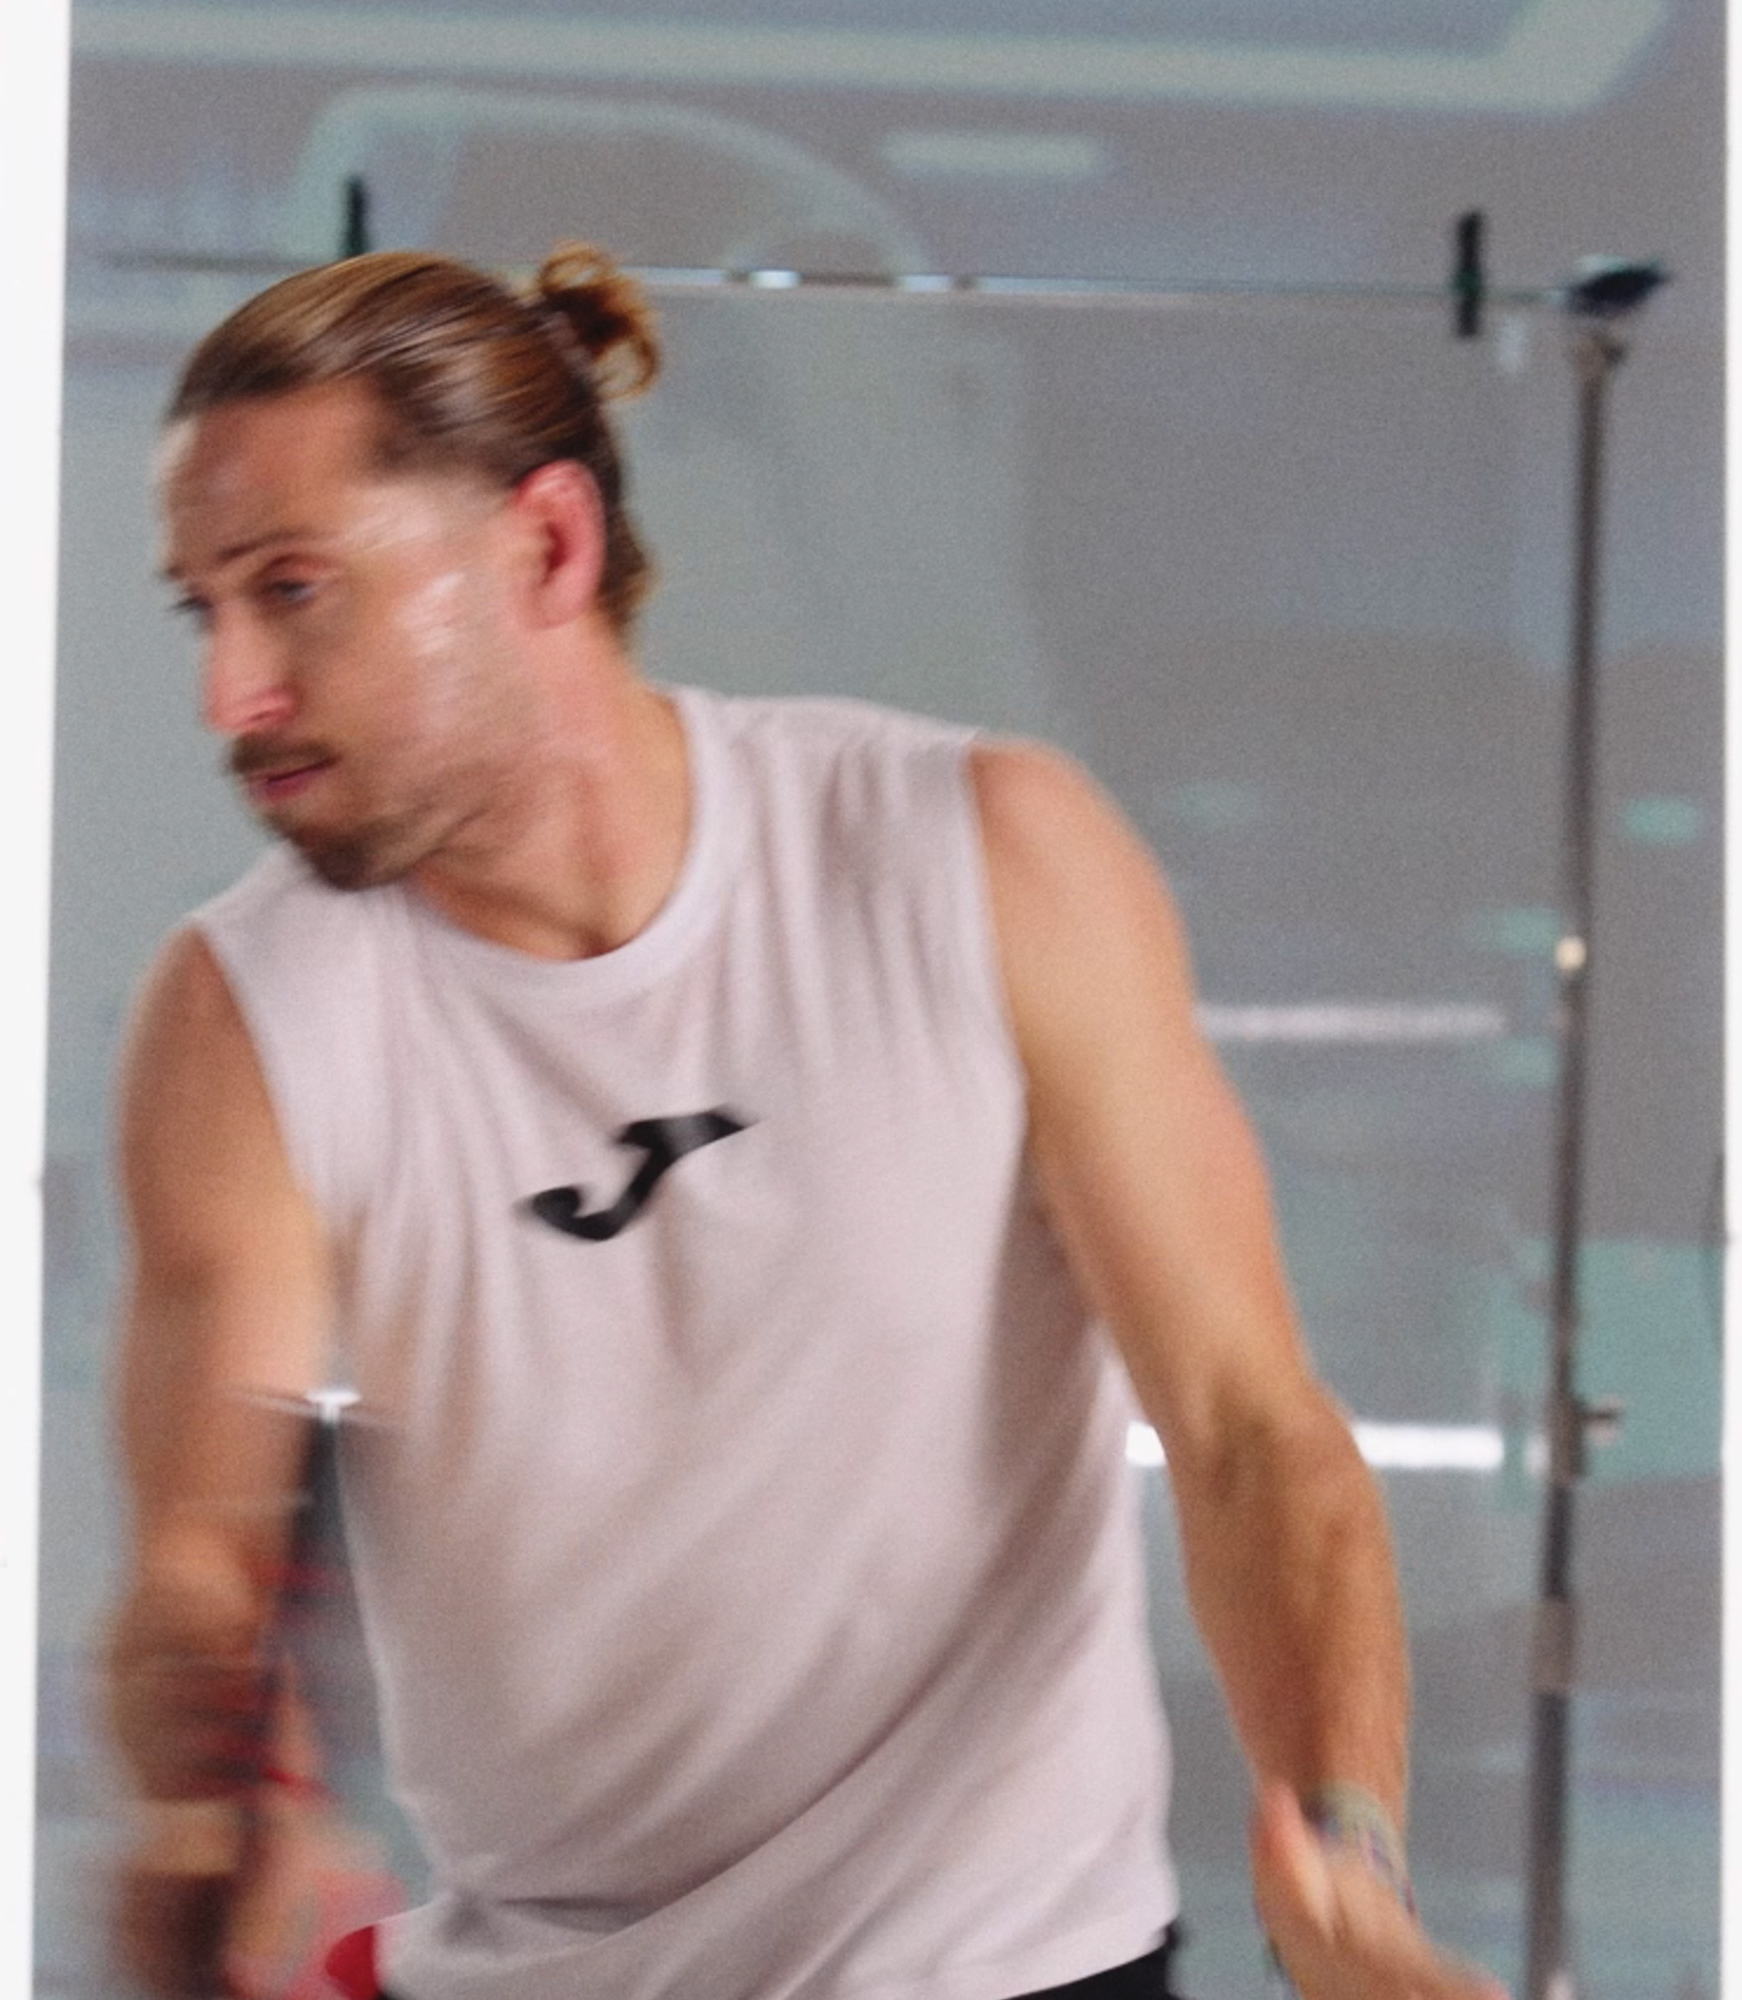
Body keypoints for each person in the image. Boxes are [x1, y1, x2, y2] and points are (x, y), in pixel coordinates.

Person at [104, 241, 1501, 2000]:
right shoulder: (243, 1018)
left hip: (1012, 1964)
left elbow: (1245, 1431)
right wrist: (220, 1788)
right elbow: (201, 1565)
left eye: (294, 590)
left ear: (547, 547)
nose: (230, 693)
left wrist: (1348, 1870)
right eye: (204, 610)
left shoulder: (977, 855)